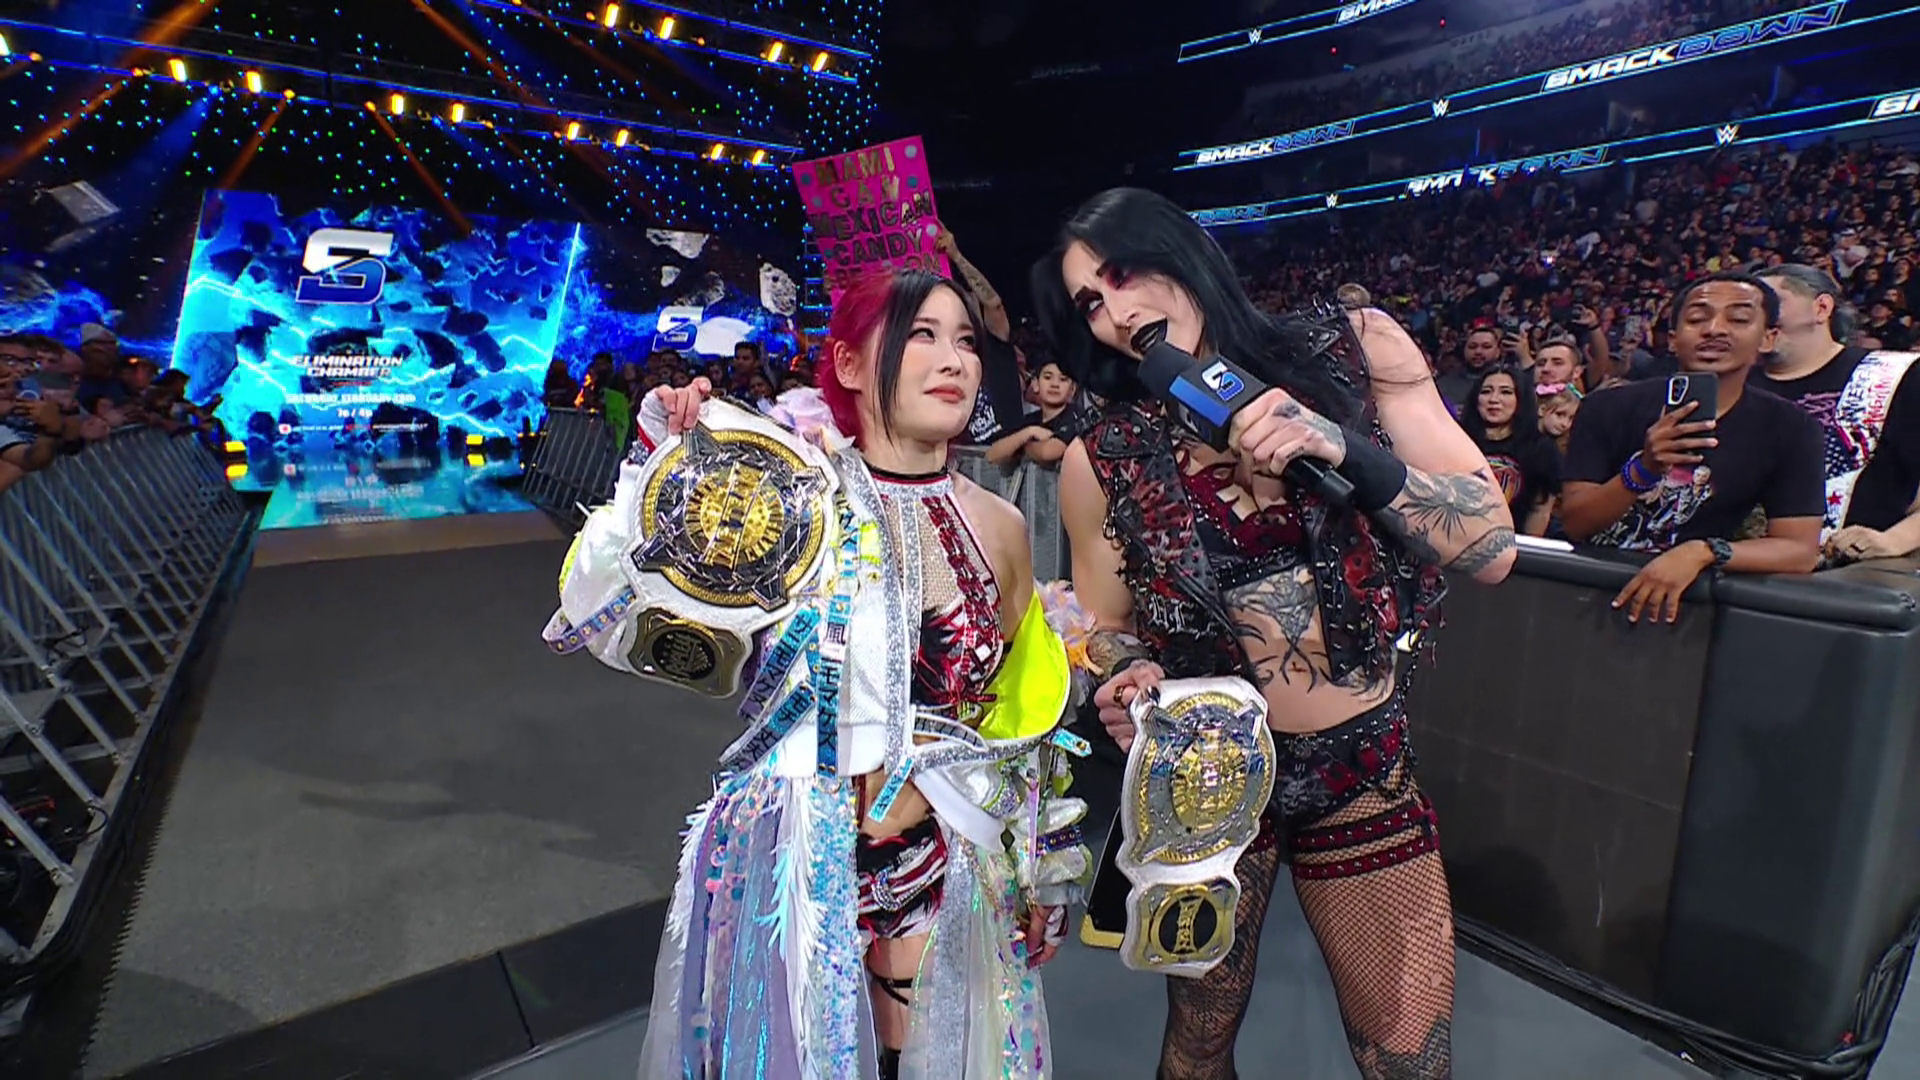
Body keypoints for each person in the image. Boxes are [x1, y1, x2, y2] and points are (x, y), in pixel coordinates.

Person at [551, 269, 1091, 1080]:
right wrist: (662, 474)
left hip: (949, 856)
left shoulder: (1002, 526)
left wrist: (1038, 865)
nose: (954, 360)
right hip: (794, 861)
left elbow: (1019, 713)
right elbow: (611, 616)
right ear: (847, 363)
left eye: (966, 340)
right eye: (921, 335)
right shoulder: (786, 494)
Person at [1033, 187, 1517, 1080]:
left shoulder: (1355, 349)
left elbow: (1490, 546)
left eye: (1123, 274)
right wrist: (1126, 671)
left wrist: (1339, 446)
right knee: (1198, 1044)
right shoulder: (1102, 456)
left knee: (1410, 1057)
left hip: (1359, 765)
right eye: (1090, 303)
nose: (1116, 312)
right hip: (1207, 780)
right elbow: (1104, 624)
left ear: (1182, 253)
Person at [1559, 271, 1823, 623]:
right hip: (1582, 589)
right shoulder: (1606, 407)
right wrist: (1643, 469)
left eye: (1738, 319)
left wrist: (1703, 552)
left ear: (1767, 338)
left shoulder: (1791, 428)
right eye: (1698, 318)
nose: (1714, 329)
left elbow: (1799, 551)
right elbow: (1576, 524)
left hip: (1687, 605)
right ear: (1673, 339)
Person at [1750, 264, 1920, 562]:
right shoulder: (1730, 384)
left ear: (1822, 308)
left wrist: (1893, 541)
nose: (1756, 317)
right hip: (1730, 566)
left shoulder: (1893, 375)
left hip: (1851, 577)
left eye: (1769, 303)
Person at [1460, 366, 1561, 537]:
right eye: (1486, 392)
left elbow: (1540, 510)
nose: (1494, 399)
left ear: (1521, 399)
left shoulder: (1541, 448)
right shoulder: (1457, 440)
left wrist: (1524, 551)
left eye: (1506, 392)